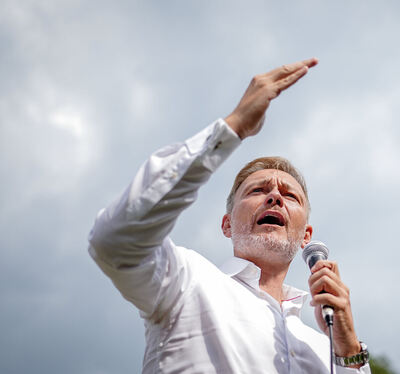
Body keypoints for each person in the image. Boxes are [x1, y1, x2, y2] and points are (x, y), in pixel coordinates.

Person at [88, 58, 371, 373]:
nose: (275, 196)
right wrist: (233, 126)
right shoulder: (186, 281)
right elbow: (114, 241)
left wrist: (348, 347)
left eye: (290, 196)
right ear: (227, 224)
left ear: (306, 236)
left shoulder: (323, 346)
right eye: (257, 191)